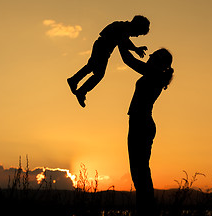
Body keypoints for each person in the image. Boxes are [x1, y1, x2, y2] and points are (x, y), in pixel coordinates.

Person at [118, 43, 174, 215]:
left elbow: (129, 60)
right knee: (139, 172)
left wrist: (120, 40)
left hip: (141, 124)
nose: (149, 57)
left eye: (153, 56)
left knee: (139, 172)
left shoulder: (153, 74)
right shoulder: (155, 74)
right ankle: (146, 210)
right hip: (140, 123)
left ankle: (147, 211)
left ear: (158, 63)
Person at [67, 15, 150, 107]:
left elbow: (124, 41)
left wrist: (135, 49)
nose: (137, 35)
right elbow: (124, 42)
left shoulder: (122, 27)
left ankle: (74, 81)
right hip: (102, 48)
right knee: (98, 74)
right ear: (136, 26)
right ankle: (80, 90)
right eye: (139, 33)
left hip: (101, 47)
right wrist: (135, 49)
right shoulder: (123, 28)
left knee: (91, 66)